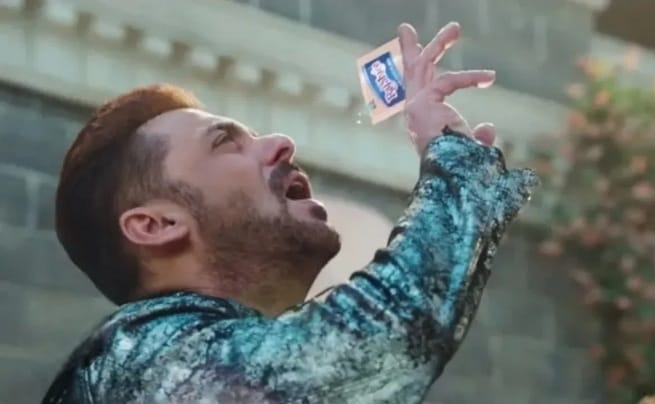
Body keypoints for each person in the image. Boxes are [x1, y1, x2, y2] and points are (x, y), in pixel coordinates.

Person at [43, 22, 538, 403]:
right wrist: (456, 168)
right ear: (156, 225)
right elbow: (366, 342)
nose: (281, 143)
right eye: (225, 143)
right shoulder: (140, 358)